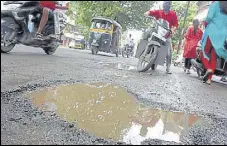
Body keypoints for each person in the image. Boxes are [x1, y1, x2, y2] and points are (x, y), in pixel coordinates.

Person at [144, 1, 178, 74]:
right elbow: (151, 12)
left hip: (167, 34)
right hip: (157, 31)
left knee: (169, 52)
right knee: (147, 34)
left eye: (168, 3)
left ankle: (168, 68)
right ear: (163, 4)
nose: (166, 5)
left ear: (170, 5)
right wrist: (147, 13)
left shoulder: (173, 14)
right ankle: (144, 54)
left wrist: (173, 29)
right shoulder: (158, 12)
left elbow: (175, 24)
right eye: (165, 3)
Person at [200, 1, 227, 85]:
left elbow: (209, 18)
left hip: (211, 32)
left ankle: (208, 69)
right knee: (213, 57)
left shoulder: (215, 4)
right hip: (221, 35)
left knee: (203, 52)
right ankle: (209, 80)